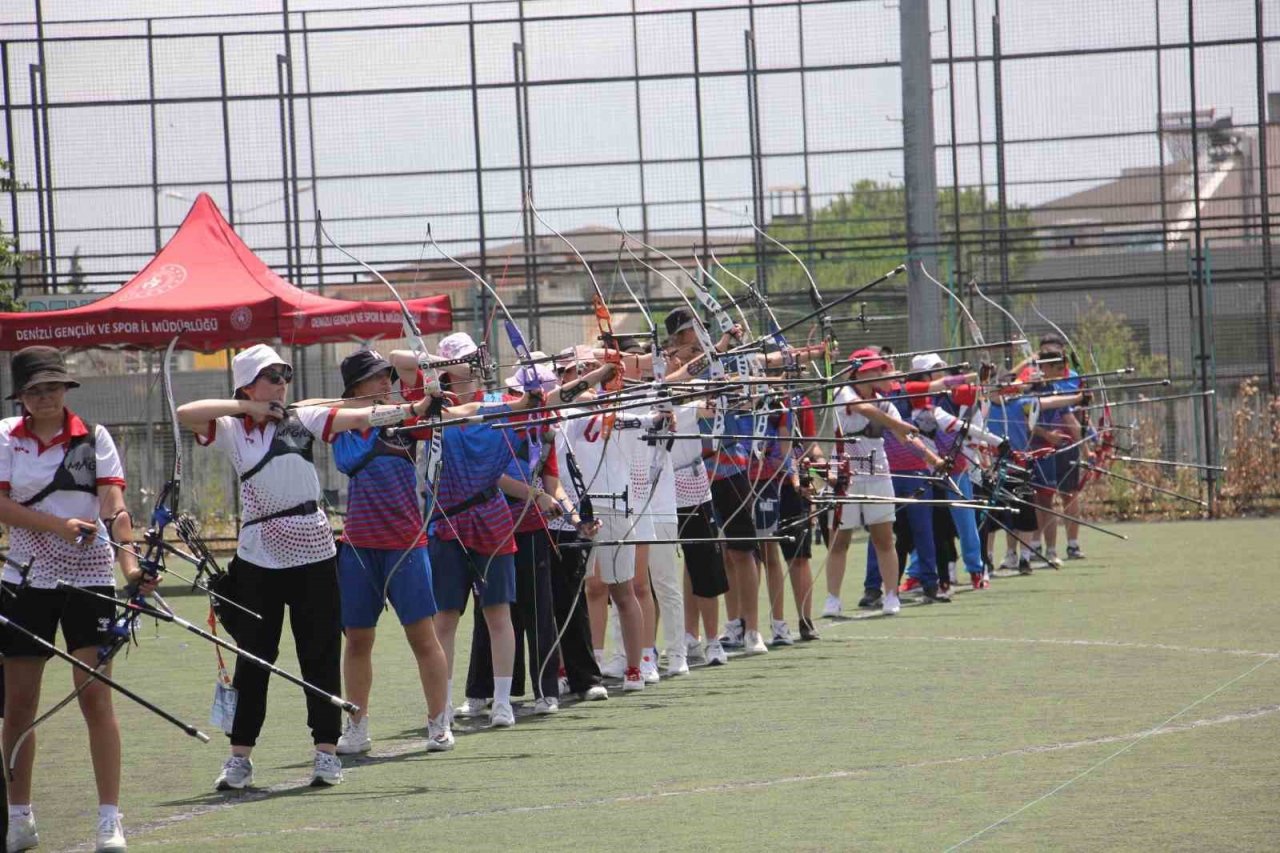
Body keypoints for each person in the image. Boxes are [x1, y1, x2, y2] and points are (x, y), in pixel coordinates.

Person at [177, 343, 441, 791]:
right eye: (271, 376)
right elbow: (186, 410)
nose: (282, 384)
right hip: (259, 555)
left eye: (285, 376)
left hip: (314, 552)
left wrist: (416, 406)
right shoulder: (232, 427)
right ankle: (240, 756)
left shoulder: (304, 416)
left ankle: (326, 751)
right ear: (247, 384)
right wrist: (250, 406)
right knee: (254, 658)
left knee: (317, 653)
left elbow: (362, 417)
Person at [0, 346, 148, 852]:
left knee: (94, 696)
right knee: (18, 705)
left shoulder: (95, 437)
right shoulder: (5, 437)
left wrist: (131, 567)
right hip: (25, 581)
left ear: (66, 388)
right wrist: (57, 527)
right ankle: (19, 815)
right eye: (35, 389)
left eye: (53, 386)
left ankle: (110, 818)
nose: (46, 397)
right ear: (20, 395)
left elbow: (113, 504)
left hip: (89, 580)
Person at [320, 348, 453, 756]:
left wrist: (427, 395)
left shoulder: (405, 415)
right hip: (360, 546)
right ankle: (356, 726)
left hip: (406, 544)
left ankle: (438, 722)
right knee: (357, 640)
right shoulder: (342, 423)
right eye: (376, 377)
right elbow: (345, 454)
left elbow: (431, 413)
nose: (385, 382)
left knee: (422, 638)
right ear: (355, 386)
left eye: (387, 376)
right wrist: (381, 417)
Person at [824, 350, 939, 616]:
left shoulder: (886, 404)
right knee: (839, 540)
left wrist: (934, 460)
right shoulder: (843, 392)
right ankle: (832, 599)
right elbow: (864, 410)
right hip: (843, 474)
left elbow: (905, 437)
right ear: (860, 372)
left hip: (878, 473)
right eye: (875, 369)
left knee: (884, 539)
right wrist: (897, 424)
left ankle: (891, 595)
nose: (880, 373)